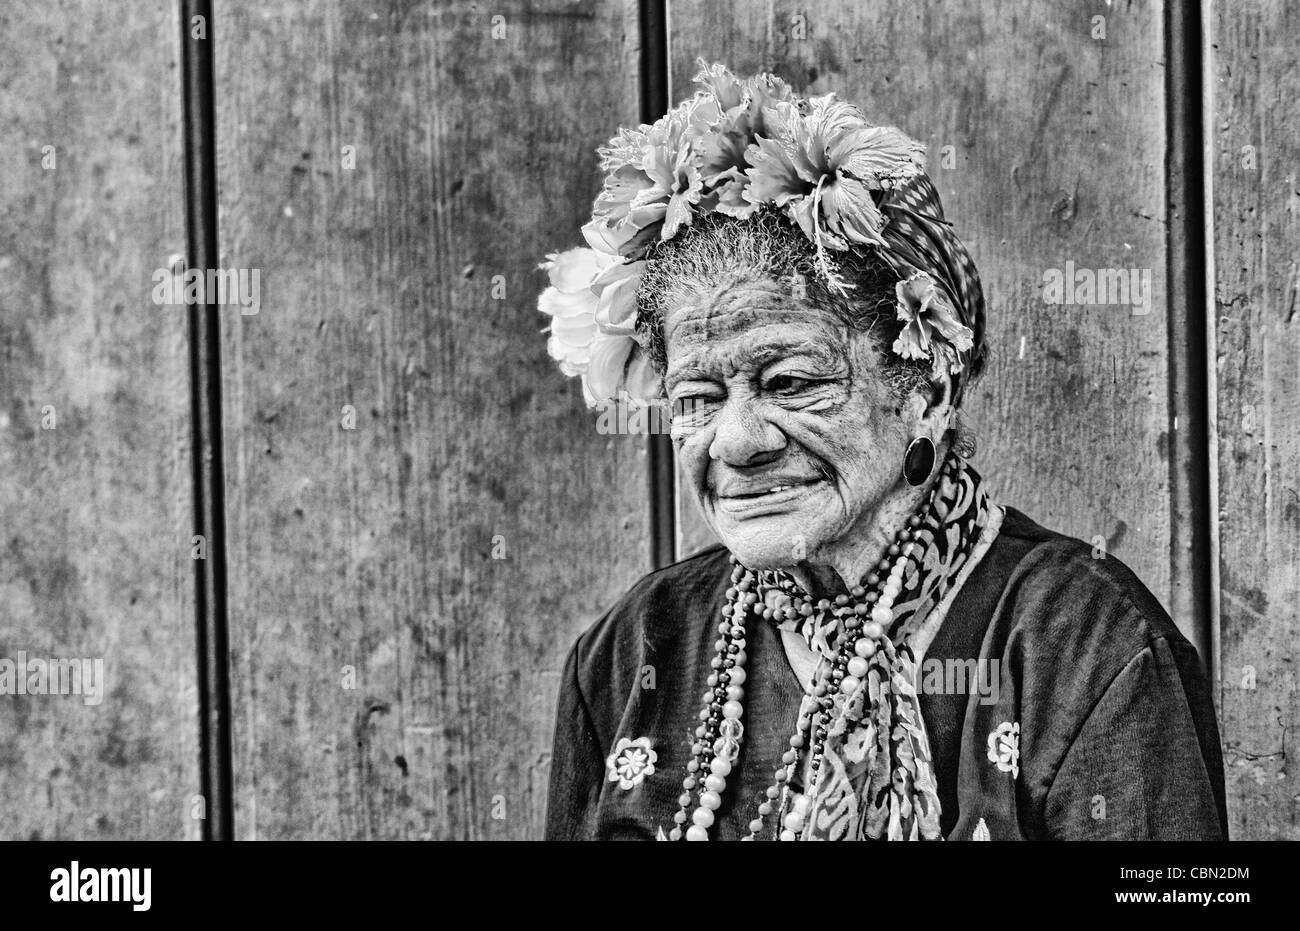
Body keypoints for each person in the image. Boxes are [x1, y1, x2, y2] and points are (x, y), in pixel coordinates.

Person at [536, 62, 1227, 840]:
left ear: (926, 389)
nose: (735, 441)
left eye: (791, 381)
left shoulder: (1085, 643)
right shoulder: (633, 654)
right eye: (697, 399)